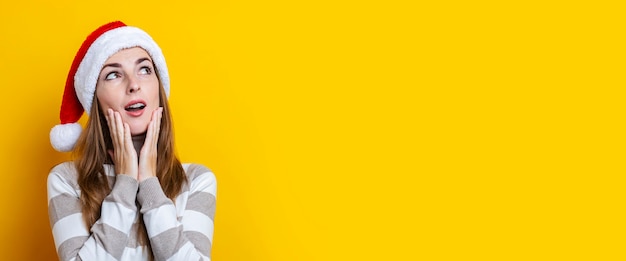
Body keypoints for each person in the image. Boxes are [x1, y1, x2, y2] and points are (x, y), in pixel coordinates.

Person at [47, 21, 217, 261]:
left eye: (145, 69)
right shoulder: (66, 181)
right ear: (95, 99)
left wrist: (149, 183)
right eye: (113, 74)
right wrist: (125, 183)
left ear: (158, 88)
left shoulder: (196, 181)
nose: (134, 84)